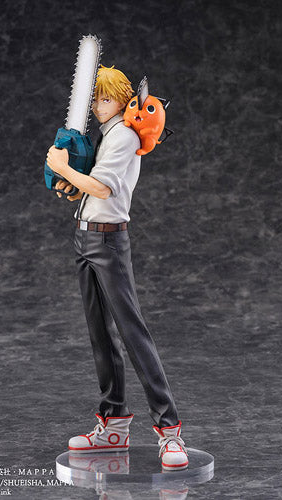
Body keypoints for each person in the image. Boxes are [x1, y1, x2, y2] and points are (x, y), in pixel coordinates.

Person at [45, 65, 188, 470]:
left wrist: (63, 168)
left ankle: (170, 431)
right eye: (95, 99)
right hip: (86, 237)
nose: (97, 106)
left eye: (105, 99)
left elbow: (105, 187)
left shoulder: (123, 135)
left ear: (124, 101)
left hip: (107, 241)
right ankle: (113, 424)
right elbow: (93, 187)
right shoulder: (106, 135)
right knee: (101, 334)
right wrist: (72, 185)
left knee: (131, 332)